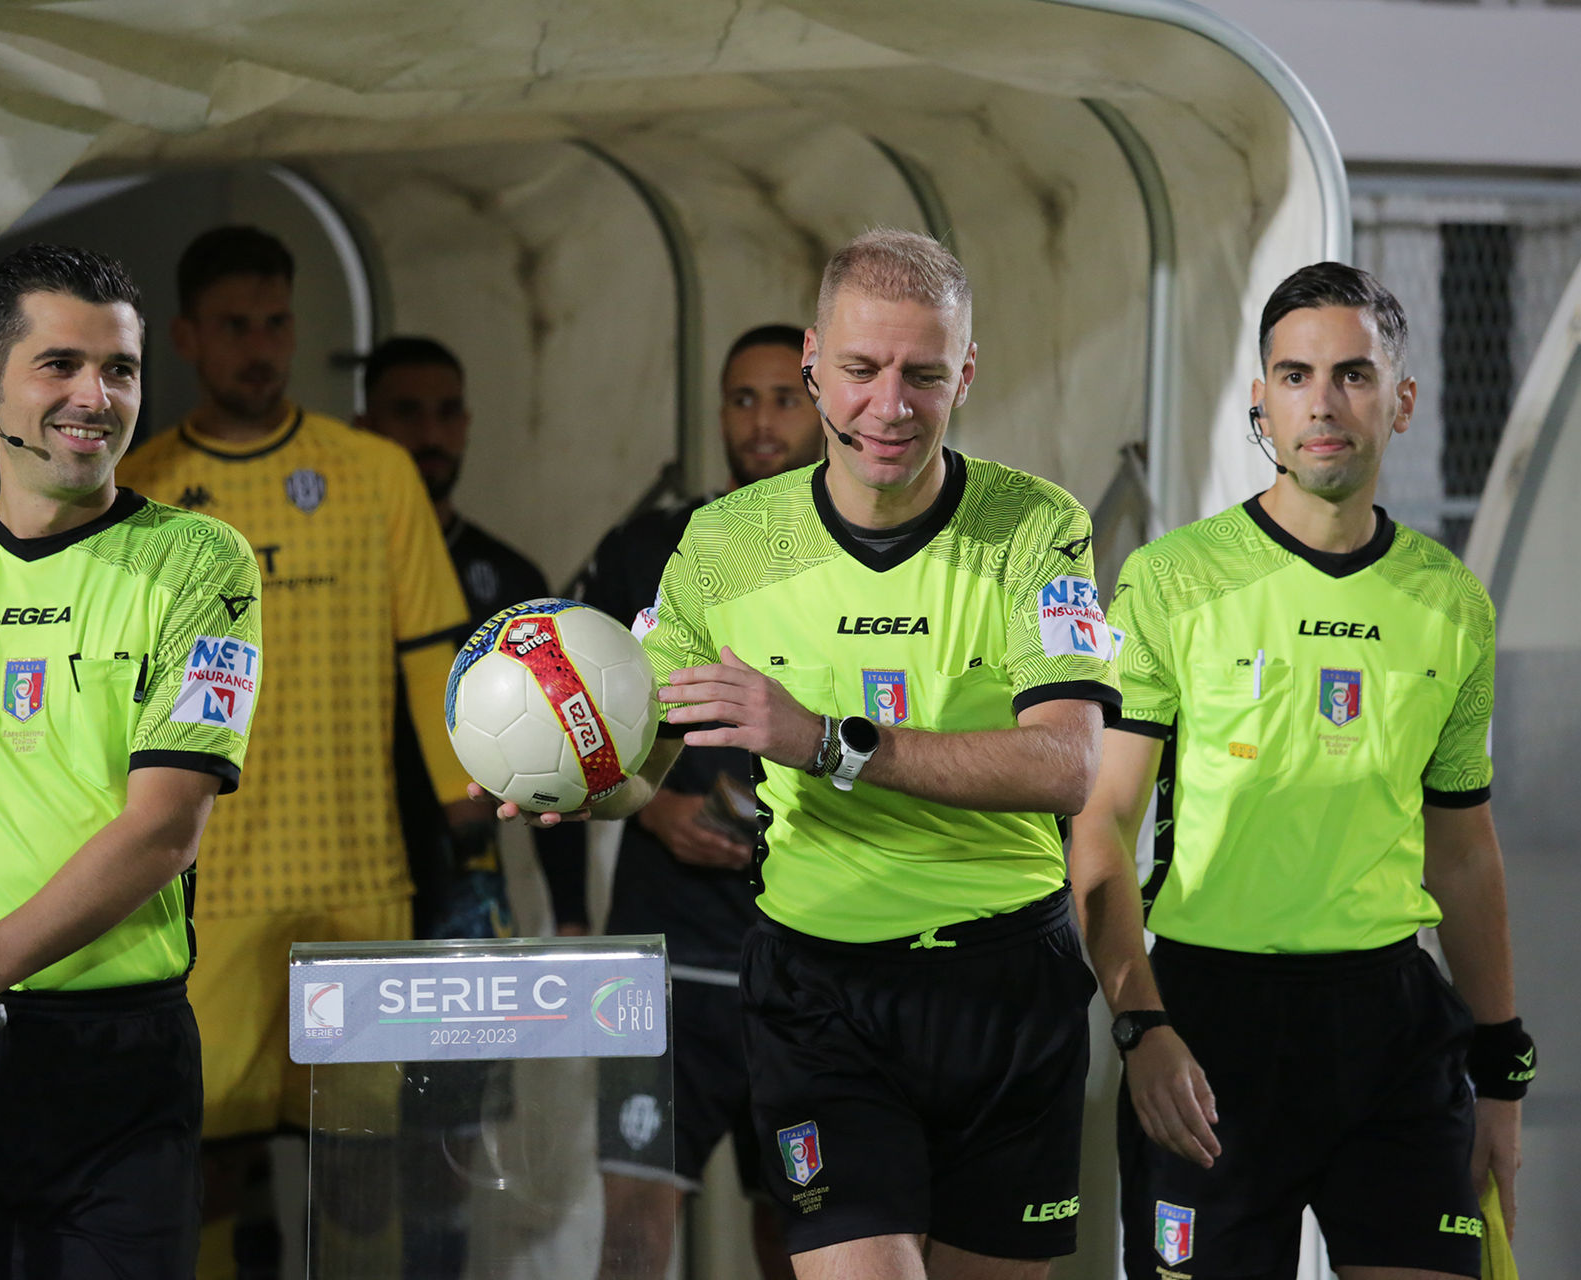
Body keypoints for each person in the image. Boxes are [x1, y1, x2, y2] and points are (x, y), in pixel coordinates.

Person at [485, 228, 1118, 1279]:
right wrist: (574, 776)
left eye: (924, 375)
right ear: (815, 363)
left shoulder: (1034, 526)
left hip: (1005, 985)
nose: (889, 406)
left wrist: (826, 741)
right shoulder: (724, 542)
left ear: (967, 372)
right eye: (861, 370)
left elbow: (1066, 766)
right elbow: (644, 750)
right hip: (819, 992)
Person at [1072, 261, 1533, 1280]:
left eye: (1353, 375)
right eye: (1295, 376)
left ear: (1401, 400)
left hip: (1393, 1030)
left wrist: (1502, 1069)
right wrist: (1141, 1023)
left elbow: (1463, 852)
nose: (1323, 403)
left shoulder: (1452, 602)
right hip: (1209, 1025)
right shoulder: (1172, 580)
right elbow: (1102, 821)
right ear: (1261, 402)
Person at [0, 242, 263, 1277]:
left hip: (114, 1069)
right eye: (60, 365)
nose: (95, 398)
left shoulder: (201, 562)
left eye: (120, 369)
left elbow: (165, 828)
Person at [118, 227, 479, 1279]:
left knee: (360, 1165)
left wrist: (473, 814)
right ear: (187, 336)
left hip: (356, 881)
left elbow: (432, 654)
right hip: (204, 889)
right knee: (203, 1164)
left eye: (275, 322)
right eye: (235, 325)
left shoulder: (373, 472)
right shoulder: (142, 487)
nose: (260, 346)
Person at [571, 323, 824, 1280]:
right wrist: (651, 808)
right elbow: (571, 718)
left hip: (804, 956)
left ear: (822, 405)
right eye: (742, 399)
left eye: (784, 398)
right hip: (661, 956)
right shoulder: (646, 548)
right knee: (634, 1233)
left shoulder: (856, 556)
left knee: (800, 1233)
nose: (761, 423)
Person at [353, 334, 588, 1279]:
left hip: (464, 900)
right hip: (349, 881)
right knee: (349, 1154)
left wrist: (571, 913)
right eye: (406, 412)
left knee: (448, 1150)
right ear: (366, 425)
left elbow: (564, 763)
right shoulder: (336, 563)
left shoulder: (505, 576)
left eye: (447, 412)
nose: (431, 433)